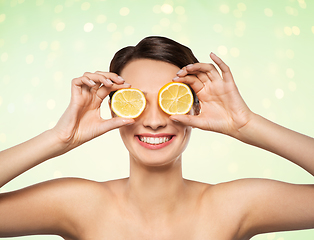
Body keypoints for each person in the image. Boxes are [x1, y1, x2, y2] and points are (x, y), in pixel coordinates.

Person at [0, 36, 313, 240]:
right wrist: (58, 138)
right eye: (136, 101)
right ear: (114, 109)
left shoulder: (233, 206)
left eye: (169, 100)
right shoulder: (80, 204)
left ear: (196, 107)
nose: (152, 122)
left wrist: (246, 125)